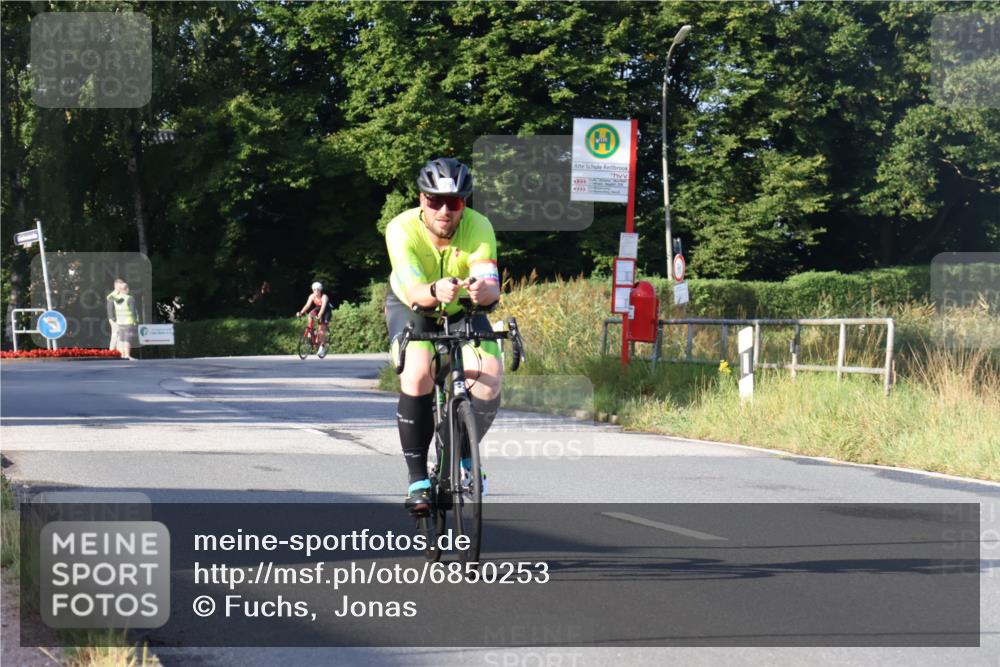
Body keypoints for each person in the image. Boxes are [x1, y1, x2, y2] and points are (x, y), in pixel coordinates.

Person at [384, 157, 503, 514]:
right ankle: (418, 479)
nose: (444, 211)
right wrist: (435, 289)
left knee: (490, 377)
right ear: (422, 199)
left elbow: (490, 285)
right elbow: (415, 290)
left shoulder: (479, 226)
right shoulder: (401, 228)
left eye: (454, 203)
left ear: (464, 203)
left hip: (462, 307)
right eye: (435, 201)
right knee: (418, 372)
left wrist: (484, 291)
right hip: (414, 306)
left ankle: (461, 451)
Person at [296, 281, 331, 358]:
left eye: (318, 289)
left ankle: (322, 347)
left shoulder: (324, 297)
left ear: (320, 290)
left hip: (326, 311)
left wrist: (319, 315)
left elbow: (323, 308)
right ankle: (310, 332)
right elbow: (307, 306)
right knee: (310, 315)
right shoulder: (312, 296)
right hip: (318, 309)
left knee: (321, 330)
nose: (316, 291)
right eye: (314, 289)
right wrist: (301, 312)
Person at [107, 280, 139, 359]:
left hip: (120, 322)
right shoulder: (129, 298)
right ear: (127, 289)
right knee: (127, 339)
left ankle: (122, 355)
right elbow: (133, 311)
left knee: (121, 339)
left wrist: (116, 291)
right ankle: (126, 355)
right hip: (128, 321)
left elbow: (109, 298)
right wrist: (136, 320)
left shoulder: (116, 298)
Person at [106, 279, 126, 351]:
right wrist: (113, 318)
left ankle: (118, 352)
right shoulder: (112, 295)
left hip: (119, 319)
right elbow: (110, 307)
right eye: (119, 285)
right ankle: (111, 351)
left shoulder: (119, 295)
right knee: (115, 335)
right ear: (115, 285)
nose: (121, 287)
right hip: (114, 319)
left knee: (119, 336)